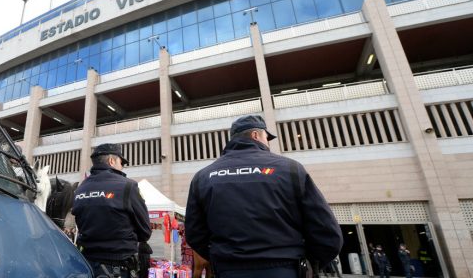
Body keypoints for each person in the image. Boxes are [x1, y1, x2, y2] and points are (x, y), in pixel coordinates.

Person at [185, 115, 343, 278]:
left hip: (229, 270)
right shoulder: (290, 169)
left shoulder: (203, 177)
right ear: (255, 135)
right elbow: (327, 231)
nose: (268, 143)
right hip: (284, 269)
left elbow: (194, 232)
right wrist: (310, 264)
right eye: (267, 138)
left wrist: (221, 260)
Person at [72, 143, 152, 278]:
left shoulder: (80, 189)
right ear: (111, 161)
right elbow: (145, 232)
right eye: (121, 162)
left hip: (86, 265)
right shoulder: (128, 186)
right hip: (118, 267)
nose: (122, 166)